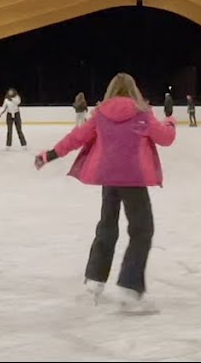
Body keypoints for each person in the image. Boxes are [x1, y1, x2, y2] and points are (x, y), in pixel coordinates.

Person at [34, 73, 176, 314]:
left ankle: (94, 283)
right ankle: (130, 289)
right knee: (142, 230)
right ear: (134, 90)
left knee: (107, 226)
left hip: (108, 177)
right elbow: (166, 139)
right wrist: (170, 120)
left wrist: (50, 155)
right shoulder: (142, 112)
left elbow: (76, 137)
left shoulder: (100, 114)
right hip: (133, 178)